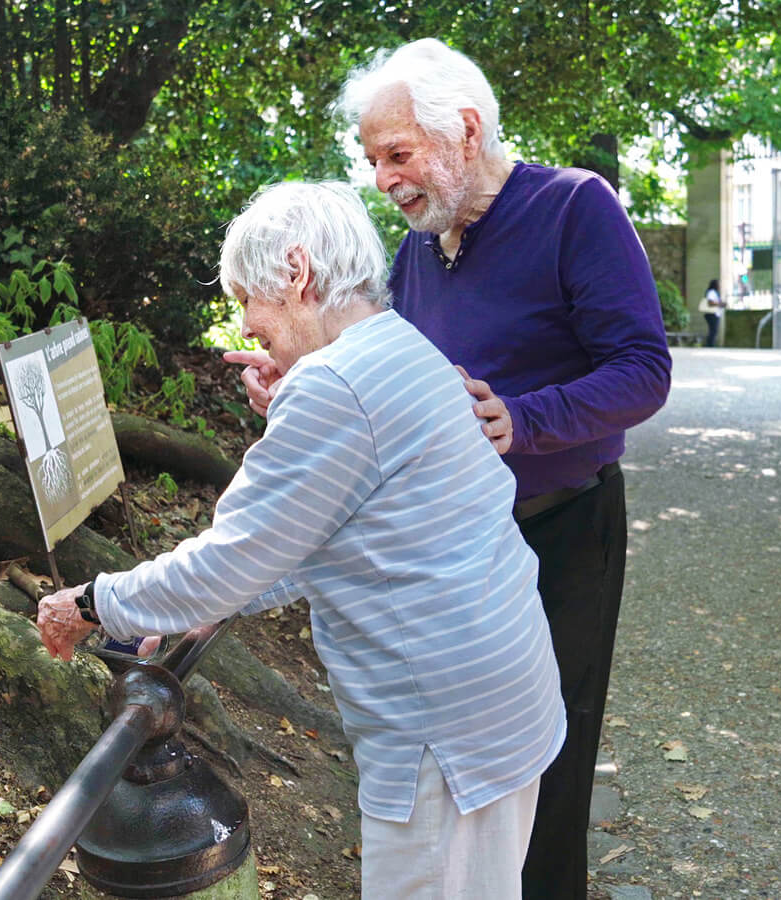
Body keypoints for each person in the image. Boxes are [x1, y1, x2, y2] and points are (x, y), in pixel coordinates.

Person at [227, 39, 671, 900]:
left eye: (400, 154)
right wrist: (295, 382)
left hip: (563, 524)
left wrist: (525, 417)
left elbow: (644, 370)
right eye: (374, 161)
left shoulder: (575, 207)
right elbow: (381, 366)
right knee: (473, 785)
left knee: (551, 771)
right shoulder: (420, 247)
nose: (386, 179)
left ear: (466, 131)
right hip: (457, 548)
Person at [38, 181, 566, 900]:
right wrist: (190, 608)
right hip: (495, 691)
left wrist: (97, 603)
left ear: (296, 273)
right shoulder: (400, 348)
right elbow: (331, 531)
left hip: (444, 731)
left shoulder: (338, 386)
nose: (248, 324)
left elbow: (236, 556)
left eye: (248, 298)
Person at [700, 278, 724, 346]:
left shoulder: (715, 293)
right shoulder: (711, 292)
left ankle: (711, 344)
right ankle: (710, 345)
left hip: (715, 314)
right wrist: (720, 304)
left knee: (714, 330)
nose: (719, 285)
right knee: (713, 330)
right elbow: (710, 302)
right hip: (711, 314)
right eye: (718, 284)